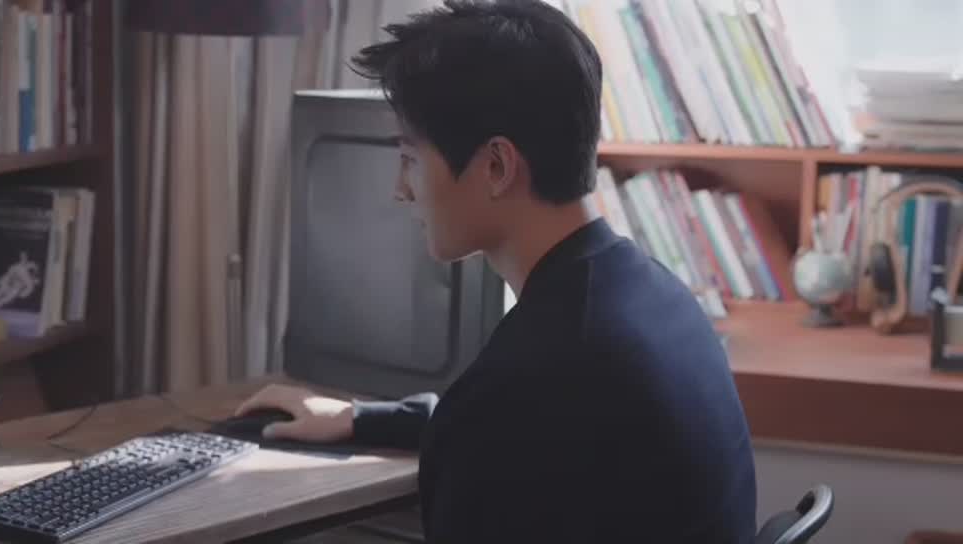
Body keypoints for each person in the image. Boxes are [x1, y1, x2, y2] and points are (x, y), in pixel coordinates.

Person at [235, 0, 757, 542]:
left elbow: (501, 419)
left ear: (497, 167)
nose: (400, 189)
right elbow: (532, 425)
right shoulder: (657, 300)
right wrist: (361, 418)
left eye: (410, 159)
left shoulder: (529, 379)